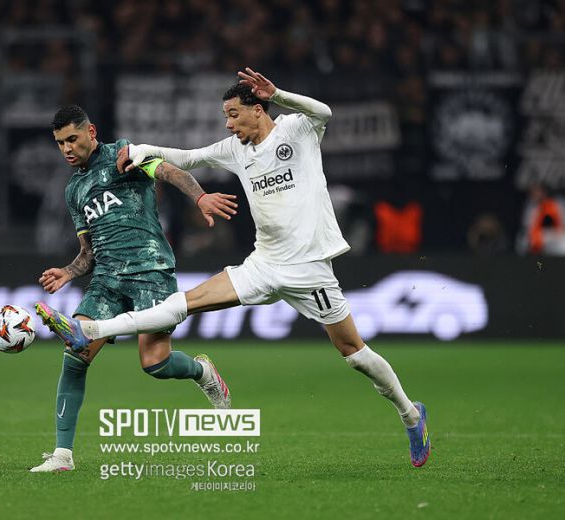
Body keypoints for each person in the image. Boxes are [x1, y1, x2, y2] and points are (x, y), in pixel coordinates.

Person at [37, 69, 431, 468]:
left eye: (233, 114)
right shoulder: (235, 149)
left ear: (258, 110)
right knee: (181, 304)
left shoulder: (297, 131)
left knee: (354, 353)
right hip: (262, 265)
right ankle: (91, 332)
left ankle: (410, 414)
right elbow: (189, 157)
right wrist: (142, 149)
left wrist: (279, 93)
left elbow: (323, 111)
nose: (228, 123)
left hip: (310, 269)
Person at [29, 105, 238, 473]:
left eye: (72, 139)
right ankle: (62, 456)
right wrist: (67, 272)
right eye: (60, 143)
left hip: (150, 270)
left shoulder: (125, 155)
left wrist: (200, 197)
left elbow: (171, 171)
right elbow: (88, 253)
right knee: (75, 354)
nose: (67, 148)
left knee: (155, 364)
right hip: (107, 278)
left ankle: (201, 371)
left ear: (91, 132)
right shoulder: (74, 189)